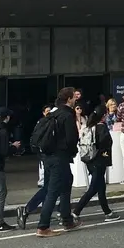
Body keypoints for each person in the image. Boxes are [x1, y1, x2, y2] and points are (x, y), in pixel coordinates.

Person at [36, 87, 80, 238]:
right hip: (59, 157)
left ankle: (67, 219)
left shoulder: (53, 113)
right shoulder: (68, 115)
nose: (76, 100)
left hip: (48, 156)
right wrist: (73, 150)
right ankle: (43, 226)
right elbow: (71, 138)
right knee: (53, 191)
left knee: (67, 181)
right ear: (68, 99)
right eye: (74, 97)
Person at [73, 106, 120, 221]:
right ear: (103, 115)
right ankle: (75, 212)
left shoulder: (89, 127)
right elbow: (105, 143)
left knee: (101, 187)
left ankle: (107, 212)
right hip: (99, 160)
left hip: (90, 159)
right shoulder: (101, 127)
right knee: (94, 188)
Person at [16, 104, 52, 231]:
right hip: (48, 158)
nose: (49, 113)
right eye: (47, 111)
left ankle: (50, 212)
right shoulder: (46, 123)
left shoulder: (42, 123)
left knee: (52, 187)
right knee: (50, 187)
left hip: (46, 158)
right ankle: (28, 209)